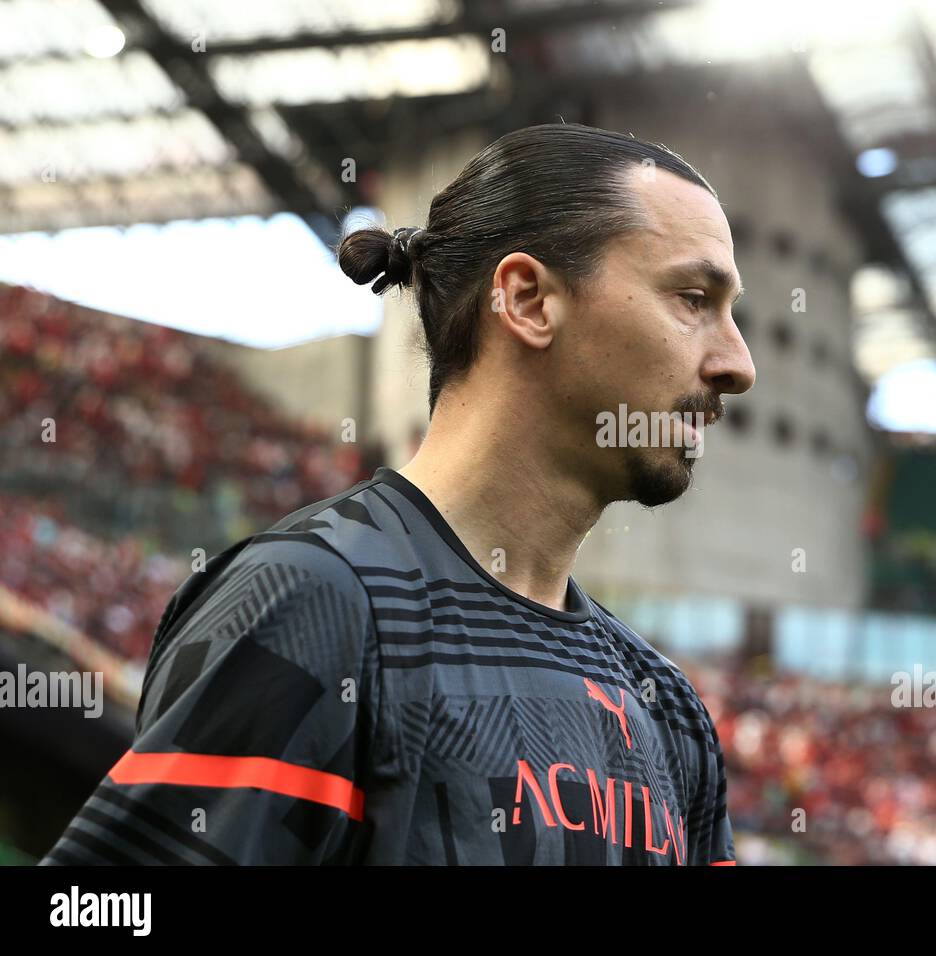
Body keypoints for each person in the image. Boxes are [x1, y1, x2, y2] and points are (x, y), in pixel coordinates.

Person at [42, 122, 755, 865]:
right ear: (528, 300)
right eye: (693, 298)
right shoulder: (317, 606)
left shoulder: (665, 706)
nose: (738, 364)